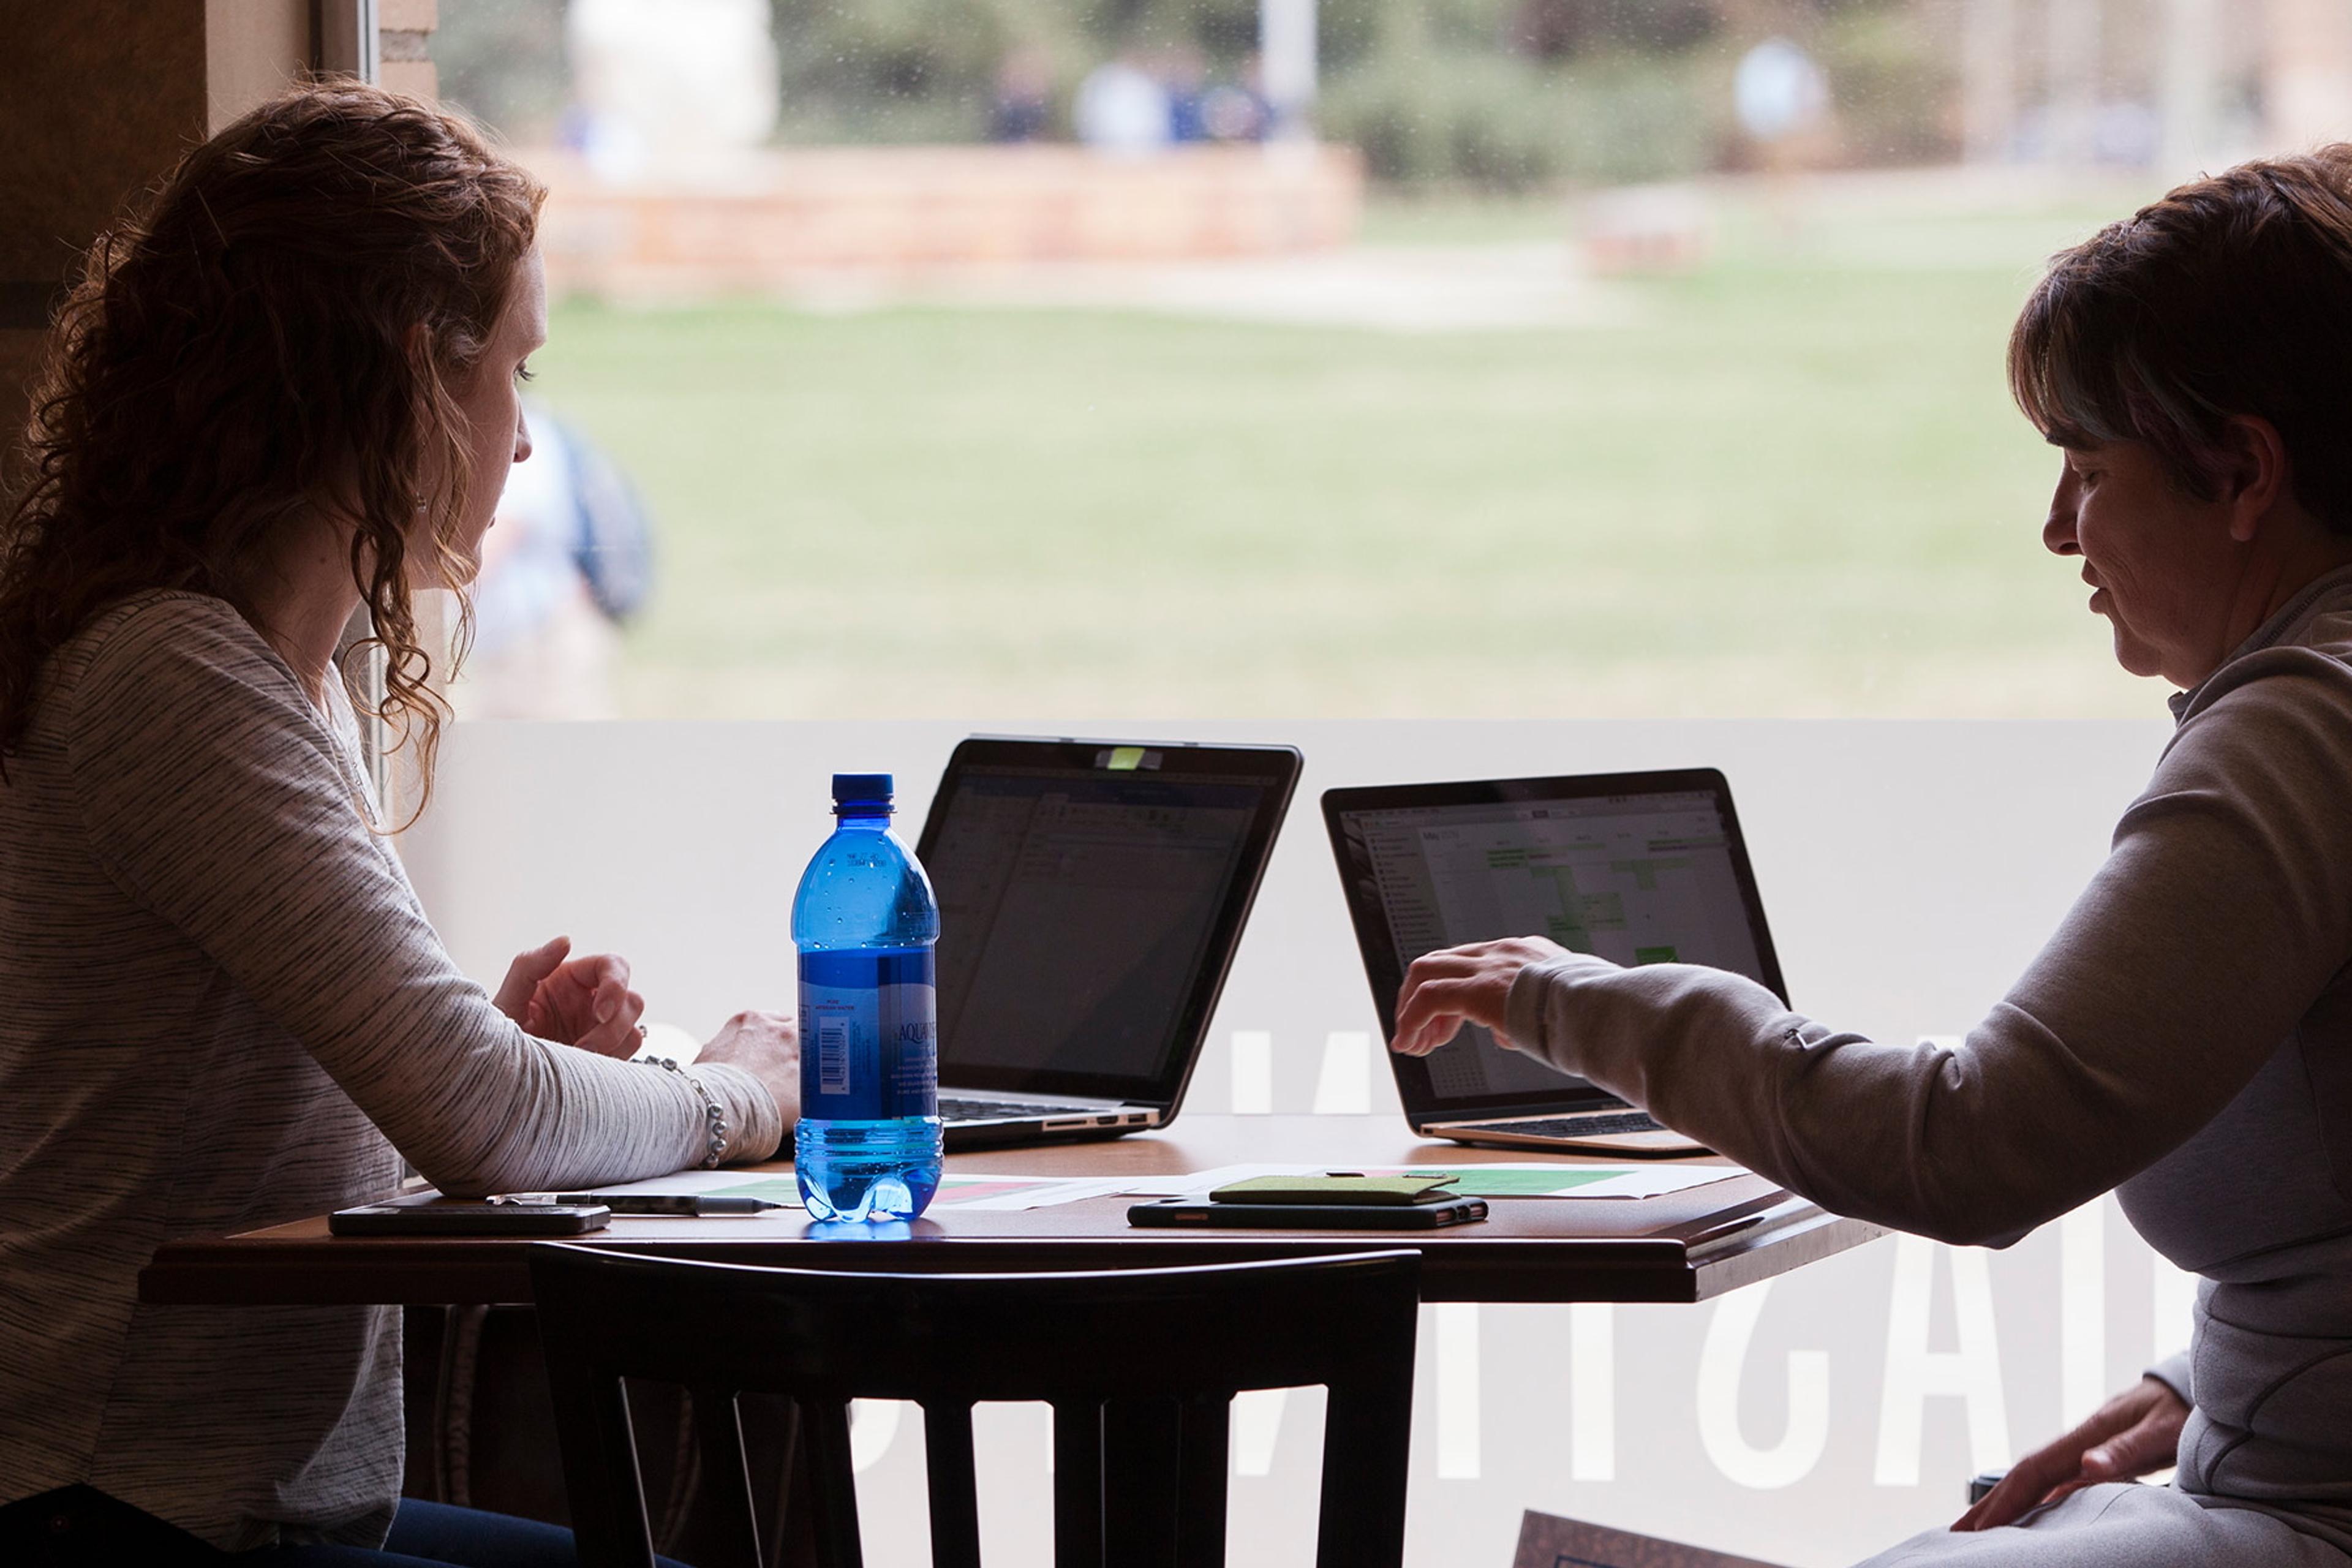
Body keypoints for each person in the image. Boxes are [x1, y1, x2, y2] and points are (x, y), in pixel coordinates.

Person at [1392, 148, 2352, 1567]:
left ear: (2244, 474)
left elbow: (1968, 1145)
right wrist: (2190, 1388)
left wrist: (1569, 995)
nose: (2054, 531)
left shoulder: (2302, 726)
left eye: (2087, 472)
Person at [0, 84, 798, 1564]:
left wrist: (460, 1050)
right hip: (124, 1507)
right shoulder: (174, 681)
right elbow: (485, 1116)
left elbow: (282, 1125)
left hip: (239, 1501)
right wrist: (746, 1094)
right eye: (514, 374)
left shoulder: (255, 670)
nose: (524, 448)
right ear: (408, 380)